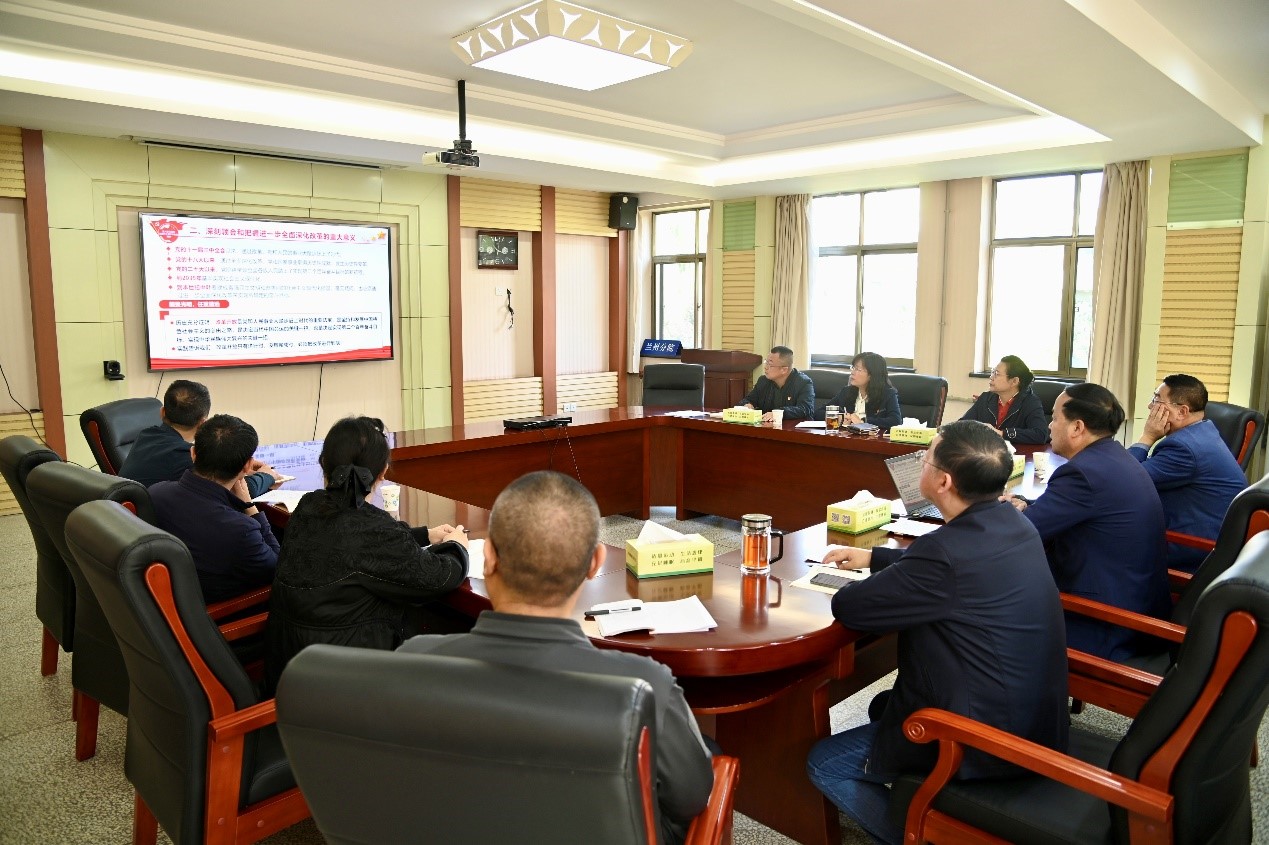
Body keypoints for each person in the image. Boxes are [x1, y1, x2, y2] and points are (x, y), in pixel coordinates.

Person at [399, 471, 714, 845]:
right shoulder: (645, 688)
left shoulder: (412, 661)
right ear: (595, 563)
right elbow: (692, 796)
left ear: (489, 557)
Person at [807, 421, 1068, 845]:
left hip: (982, 739)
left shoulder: (943, 553)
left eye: (925, 457)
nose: (920, 463)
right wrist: (874, 558)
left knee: (824, 763)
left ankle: (916, 835)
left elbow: (851, 607)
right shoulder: (1013, 522)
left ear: (943, 481)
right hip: (1033, 718)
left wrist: (874, 578)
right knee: (882, 706)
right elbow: (951, 569)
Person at [264, 416, 469, 692]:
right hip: (347, 681)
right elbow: (438, 576)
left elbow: (351, 544)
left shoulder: (308, 506)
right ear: (383, 472)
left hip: (290, 669)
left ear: (324, 463)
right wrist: (457, 546)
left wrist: (423, 535)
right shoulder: (372, 529)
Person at [1008, 383, 1170, 661]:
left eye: (1055, 417)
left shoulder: (1082, 473)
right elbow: (1076, 511)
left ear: (1077, 427)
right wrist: (1028, 506)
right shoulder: (1115, 457)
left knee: (979, 615)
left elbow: (1019, 535)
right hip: (1136, 609)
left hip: (1102, 623)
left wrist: (978, 512)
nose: (1049, 426)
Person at [149, 414, 281, 603]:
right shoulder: (240, 529)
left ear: (193, 453)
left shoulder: (155, 493)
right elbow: (277, 569)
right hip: (226, 611)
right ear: (247, 466)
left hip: (168, 601)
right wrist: (250, 507)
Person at [1129, 374, 1247, 571]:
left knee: (1095, 540)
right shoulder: (1203, 431)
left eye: (1157, 400)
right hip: (1205, 538)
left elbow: (1125, 480)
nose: (1150, 406)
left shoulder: (1184, 448)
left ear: (1182, 412)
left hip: (1189, 548)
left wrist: (1147, 437)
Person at [120, 379, 279, 496]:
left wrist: (237, 467)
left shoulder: (146, 435)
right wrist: (266, 476)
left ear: (162, 412)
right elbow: (231, 494)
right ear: (203, 423)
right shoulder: (184, 456)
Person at [959, 355, 1049, 443]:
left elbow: (1041, 434)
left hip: (1017, 452)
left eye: (997, 374)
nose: (991, 377)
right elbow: (961, 425)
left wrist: (1002, 433)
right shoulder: (985, 398)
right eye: (992, 372)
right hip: (986, 451)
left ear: (1014, 381)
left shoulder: (1030, 402)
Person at [817, 351, 902, 430]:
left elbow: (896, 421)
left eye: (858, 369)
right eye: (853, 368)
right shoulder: (847, 392)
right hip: (846, 437)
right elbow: (818, 413)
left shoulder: (887, 394)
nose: (852, 372)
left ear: (872, 375)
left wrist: (863, 421)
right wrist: (839, 417)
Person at [742, 345, 815, 421]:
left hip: (793, 427)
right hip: (767, 426)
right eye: (766, 362)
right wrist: (747, 405)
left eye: (770, 365)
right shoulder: (763, 380)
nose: (765, 367)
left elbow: (805, 409)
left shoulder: (803, 383)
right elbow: (748, 399)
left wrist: (778, 413)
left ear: (784, 370)